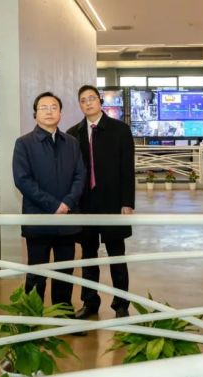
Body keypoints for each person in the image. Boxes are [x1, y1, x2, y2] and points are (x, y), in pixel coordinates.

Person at [67, 85, 135, 319]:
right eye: (83, 100)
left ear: (100, 101)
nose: (88, 103)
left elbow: (127, 169)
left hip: (113, 202)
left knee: (117, 254)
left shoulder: (120, 130)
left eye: (92, 98)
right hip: (85, 204)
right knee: (88, 256)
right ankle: (90, 302)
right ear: (80, 105)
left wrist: (127, 202)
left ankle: (121, 305)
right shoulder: (73, 133)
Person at [12, 91, 85, 309]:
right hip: (38, 221)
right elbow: (22, 180)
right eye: (43, 107)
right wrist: (54, 205)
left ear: (61, 113)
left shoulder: (71, 142)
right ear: (35, 114)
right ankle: (32, 316)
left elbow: (80, 175)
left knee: (65, 272)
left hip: (66, 221)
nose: (49, 111)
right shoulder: (24, 143)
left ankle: (62, 314)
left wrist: (68, 203)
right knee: (36, 273)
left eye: (54, 107)